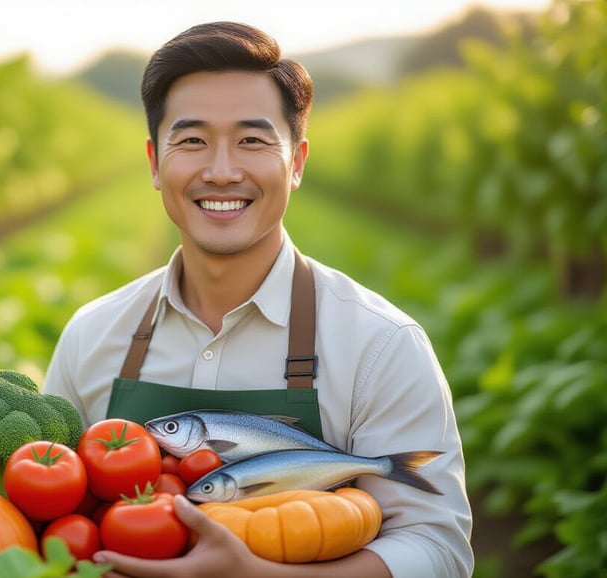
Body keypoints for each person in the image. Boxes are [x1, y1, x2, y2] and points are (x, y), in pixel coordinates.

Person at [41, 21, 473, 578]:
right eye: (192, 141)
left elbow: (438, 549)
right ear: (154, 161)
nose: (222, 172)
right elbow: (52, 514)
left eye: (253, 140)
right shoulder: (91, 335)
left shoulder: (381, 346)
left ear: (296, 162)